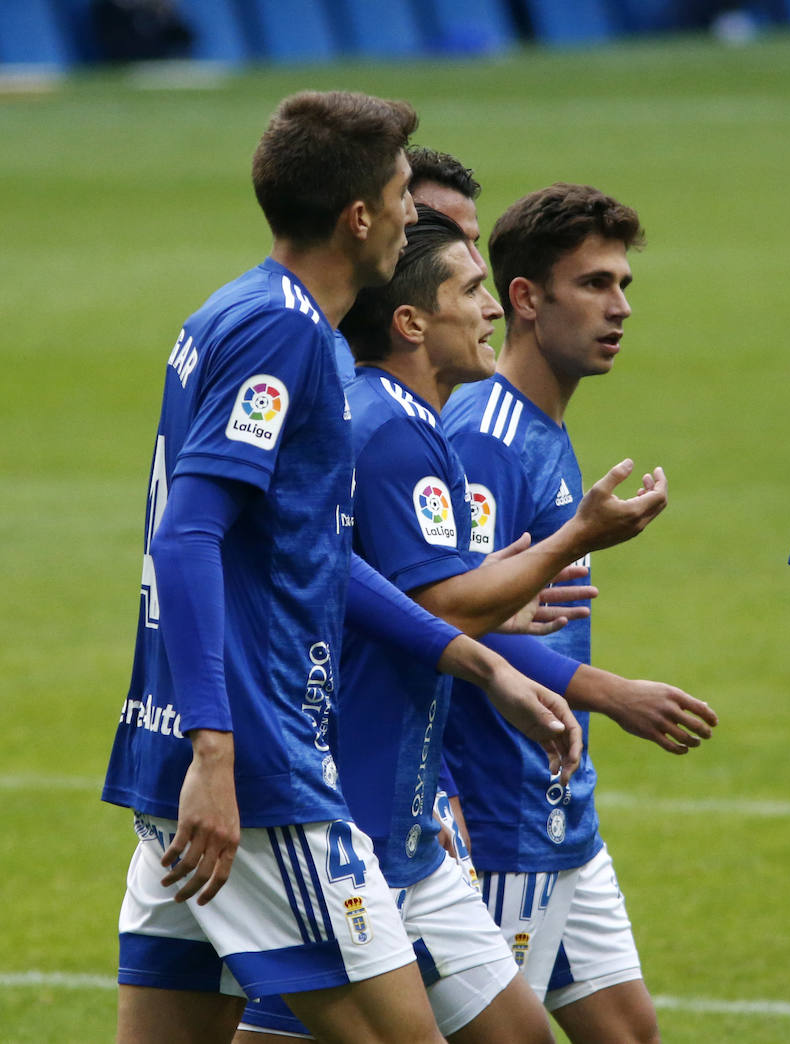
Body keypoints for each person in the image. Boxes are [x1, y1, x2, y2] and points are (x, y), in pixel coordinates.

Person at [103, 91, 579, 1044]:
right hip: (256, 767)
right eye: (406, 194)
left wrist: (478, 661)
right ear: (359, 215)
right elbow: (187, 534)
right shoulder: (285, 332)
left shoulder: (234, 311)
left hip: (179, 753)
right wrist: (217, 750)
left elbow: (307, 550)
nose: (416, 214)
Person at [438, 181, 718, 1043]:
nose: (621, 307)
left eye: (624, 284)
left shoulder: (542, 428)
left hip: (560, 806)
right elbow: (453, 619)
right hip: (501, 806)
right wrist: (611, 692)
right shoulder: (487, 436)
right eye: (595, 285)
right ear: (525, 299)